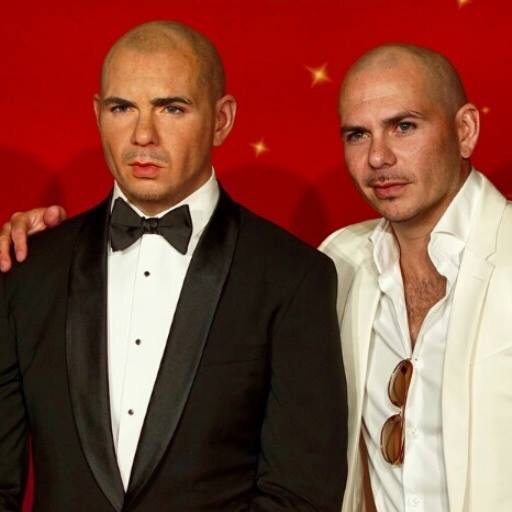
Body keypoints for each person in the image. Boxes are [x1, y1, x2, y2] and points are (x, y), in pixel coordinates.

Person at [0, 21, 348, 511]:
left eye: (172, 108)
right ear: (98, 114)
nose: (143, 135)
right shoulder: (27, 269)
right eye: (122, 108)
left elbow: (300, 494)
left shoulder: (293, 277)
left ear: (222, 120)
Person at [319, 45, 512, 511]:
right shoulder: (339, 262)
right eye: (358, 135)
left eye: (403, 126)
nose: (377, 157)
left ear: (465, 130)